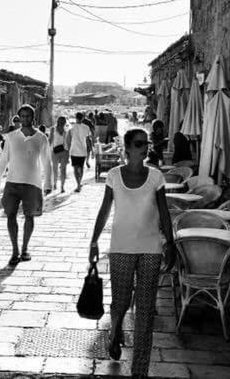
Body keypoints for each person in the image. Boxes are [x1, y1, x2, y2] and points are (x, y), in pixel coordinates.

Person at [88, 128, 176, 379]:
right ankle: (115, 332)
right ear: (126, 149)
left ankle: (140, 371)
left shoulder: (156, 176)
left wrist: (170, 243)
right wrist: (94, 241)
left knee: (146, 310)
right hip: (121, 248)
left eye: (146, 143)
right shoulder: (114, 175)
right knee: (121, 302)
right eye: (139, 144)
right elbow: (105, 209)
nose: (144, 147)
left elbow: (164, 212)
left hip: (150, 248)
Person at [0, 104, 52, 266]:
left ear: (33, 118)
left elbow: (47, 162)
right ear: (19, 118)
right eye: (22, 116)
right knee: (10, 216)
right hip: (12, 182)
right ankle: (15, 251)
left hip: (33, 183)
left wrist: (48, 183)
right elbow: (4, 159)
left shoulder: (41, 138)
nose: (25, 119)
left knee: (29, 216)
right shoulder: (11, 137)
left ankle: (25, 248)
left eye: (28, 116)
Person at [67, 112, 93, 193]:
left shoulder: (71, 128)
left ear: (75, 118)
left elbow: (68, 140)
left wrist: (67, 151)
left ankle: (78, 184)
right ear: (82, 118)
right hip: (83, 151)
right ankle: (79, 183)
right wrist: (92, 149)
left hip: (73, 151)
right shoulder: (86, 128)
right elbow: (89, 140)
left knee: (75, 168)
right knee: (81, 168)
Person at [49, 116, 70, 193]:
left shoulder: (66, 130)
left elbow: (67, 143)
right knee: (55, 169)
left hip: (64, 151)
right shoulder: (53, 129)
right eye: (61, 122)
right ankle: (55, 183)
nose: (62, 123)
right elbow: (50, 140)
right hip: (55, 152)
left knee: (63, 170)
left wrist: (68, 155)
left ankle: (62, 186)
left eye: (63, 122)